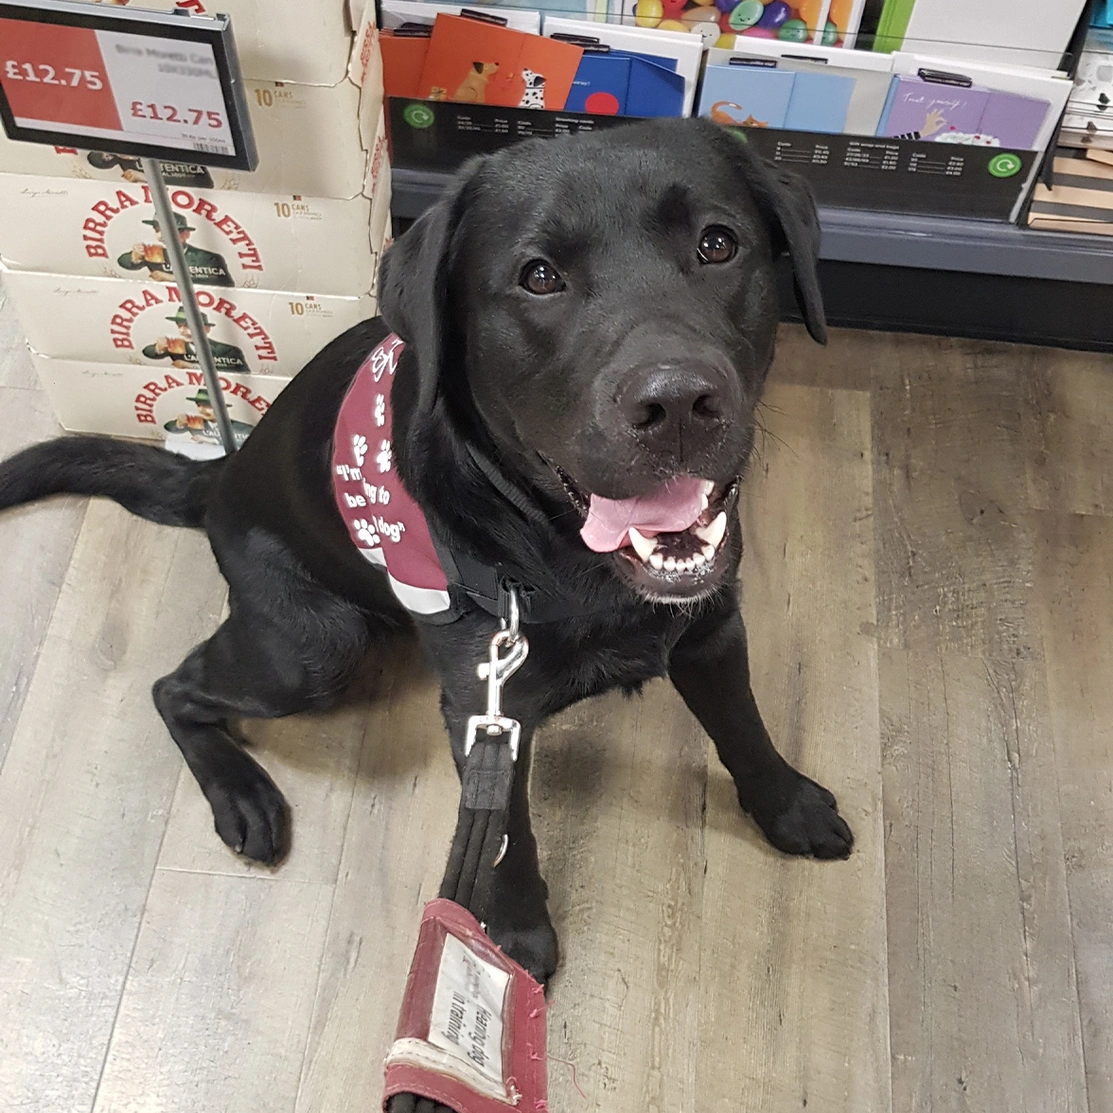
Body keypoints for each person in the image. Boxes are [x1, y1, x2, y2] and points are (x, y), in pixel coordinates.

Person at [118, 212, 234, 287]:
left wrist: (173, 279)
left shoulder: (208, 258)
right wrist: (135, 256)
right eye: (157, 230)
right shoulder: (154, 253)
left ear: (185, 234)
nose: (161, 235)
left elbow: (225, 283)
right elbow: (124, 262)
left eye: (169, 231)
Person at [142, 308, 250, 373]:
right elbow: (148, 352)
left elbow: (241, 374)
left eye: (188, 326)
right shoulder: (176, 346)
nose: (182, 330)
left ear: (206, 329)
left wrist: (192, 366)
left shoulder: (228, 351)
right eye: (179, 326)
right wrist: (158, 348)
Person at [164, 387, 254, 447]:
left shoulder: (241, 427)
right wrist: (179, 424)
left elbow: (248, 441)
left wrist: (213, 441)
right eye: (199, 405)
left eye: (207, 406)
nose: (202, 410)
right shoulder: (196, 422)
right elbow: (168, 427)